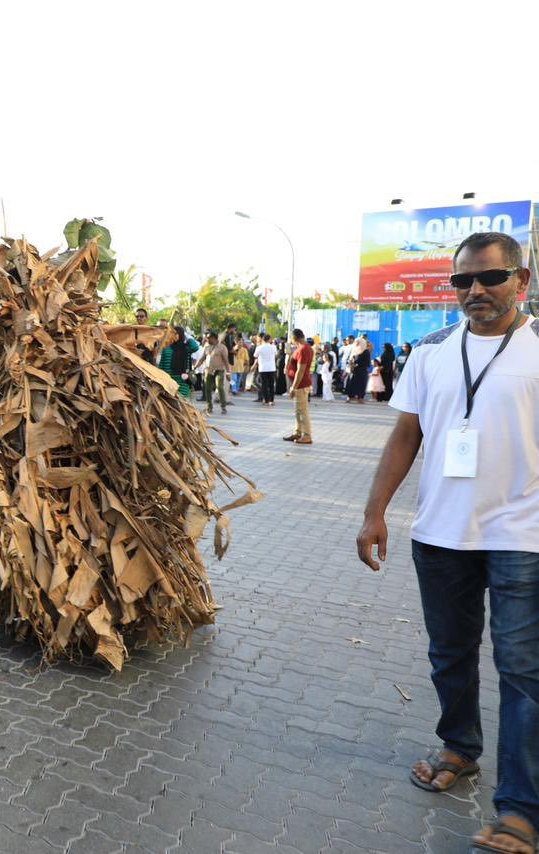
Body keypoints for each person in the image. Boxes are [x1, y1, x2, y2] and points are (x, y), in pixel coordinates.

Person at [356, 231, 539, 854]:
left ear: (523, 280)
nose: (476, 291)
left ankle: (519, 810)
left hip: (523, 537)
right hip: (440, 534)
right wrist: (374, 511)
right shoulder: (431, 353)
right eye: (463, 280)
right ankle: (460, 746)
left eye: (490, 277)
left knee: (522, 672)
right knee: (449, 655)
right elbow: (406, 436)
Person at [282, 328, 313, 445]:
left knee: (302, 411)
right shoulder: (302, 348)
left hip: (301, 384)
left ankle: (307, 435)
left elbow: (300, 370)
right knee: (298, 411)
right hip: (300, 384)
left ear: (294, 338)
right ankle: (298, 432)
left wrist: (293, 387)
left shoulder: (304, 349)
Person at [157, 325, 198, 399]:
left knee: (183, 405)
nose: (174, 335)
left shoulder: (187, 348)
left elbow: (196, 347)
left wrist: (187, 337)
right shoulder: (166, 348)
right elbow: (161, 366)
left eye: (176, 333)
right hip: (168, 382)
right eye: (172, 333)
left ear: (181, 334)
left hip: (182, 383)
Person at [199, 331, 230, 415]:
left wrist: (228, 373)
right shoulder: (207, 348)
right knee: (207, 388)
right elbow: (202, 358)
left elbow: (226, 361)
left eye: (209, 338)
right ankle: (209, 407)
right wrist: (196, 366)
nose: (207, 339)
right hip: (208, 371)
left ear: (214, 338)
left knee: (219, 386)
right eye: (206, 338)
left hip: (219, 370)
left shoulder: (222, 347)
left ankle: (223, 406)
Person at [345, 335, 372, 402]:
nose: (356, 343)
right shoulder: (353, 350)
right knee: (351, 384)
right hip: (353, 371)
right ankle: (350, 397)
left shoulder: (366, 352)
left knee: (361, 385)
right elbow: (348, 359)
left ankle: (360, 398)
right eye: (356, 342)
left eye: (358, 342)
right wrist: (350, 362)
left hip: (361, 371)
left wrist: (357, 364)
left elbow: (367, 363)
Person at [254, 333, 277, 406]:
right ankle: (272, 400)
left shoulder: (259, 347)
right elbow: (275, 354)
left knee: (264, 384)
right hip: (271, 368)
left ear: (263, 340)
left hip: (263, 368)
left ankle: (266, 400)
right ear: (269, 339)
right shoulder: (273, 347)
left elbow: (255, 355)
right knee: (271, 385)